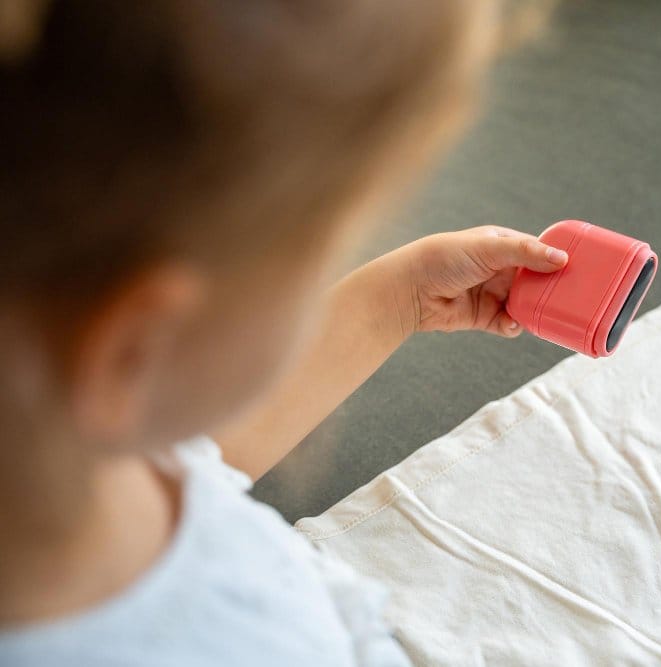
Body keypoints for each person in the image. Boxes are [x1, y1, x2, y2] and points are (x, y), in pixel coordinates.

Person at [0, 0, 563, 664]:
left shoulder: (62, 455)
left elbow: (190, 450)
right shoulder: (239, 644)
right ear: (136, 346)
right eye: (322, 248)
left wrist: (398, 299)